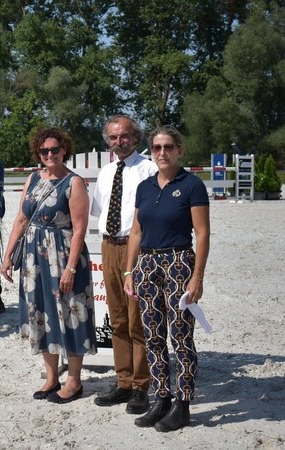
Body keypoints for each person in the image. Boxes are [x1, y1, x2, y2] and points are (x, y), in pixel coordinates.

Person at [0, 127, 96, 403]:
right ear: (38, 153)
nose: (50, 154)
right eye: (45, 151)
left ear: (65, 149)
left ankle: (74, 380)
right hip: (33, 258)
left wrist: (71, 267)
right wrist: (7, 256)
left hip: (64, 255)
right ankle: (52, 377)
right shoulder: (32, 178)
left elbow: (79, 230)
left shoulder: (73, 183)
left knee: (71, 314)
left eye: (55, 149)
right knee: (39, 312)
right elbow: (20, 218)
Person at [124, 125, 210, 432]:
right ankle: (160, 398)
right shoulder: (145, 186)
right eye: (157, 147)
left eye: (169, 147)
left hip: (178, 262)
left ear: (179, 150)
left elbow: (202, 233)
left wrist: (197, 278)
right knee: (153, 336)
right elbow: (136, 231)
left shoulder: (192, 185)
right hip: (147, 264)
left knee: (181, 337)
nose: (163, 153)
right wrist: (129, 270)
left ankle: (182, 403)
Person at [90, 115, 158, 414]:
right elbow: (99, 211)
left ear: (136, 138)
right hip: (108, 245)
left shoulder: (150, 169)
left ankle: (142, 386)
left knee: (137, 320)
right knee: (117, 319)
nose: (119, 142)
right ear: (108, 141)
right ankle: (123, 381)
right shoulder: (106, 173)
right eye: (114, 138)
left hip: (138, 249)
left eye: (125, 136)